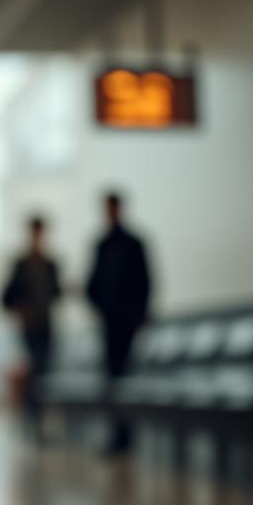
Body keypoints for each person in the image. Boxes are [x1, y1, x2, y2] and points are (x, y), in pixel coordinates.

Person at [86, 192, 152, 453]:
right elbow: (92, 283)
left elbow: (145, 280)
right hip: (109, 322)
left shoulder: (134, 243)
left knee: (126, 376)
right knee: (111, 378)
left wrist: (141, 314)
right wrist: (99, 307)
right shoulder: (101, 244)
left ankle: (126, 433)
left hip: (128, 321)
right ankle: (116, 431)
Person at [1, 215, 61, 435]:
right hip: (29, 329)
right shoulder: (22, 264)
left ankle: (39, 418)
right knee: (33, 373)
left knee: (43, 373)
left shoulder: (50, 264)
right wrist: (22, 309)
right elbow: (5, 297)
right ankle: (32, 419)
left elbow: (56, 293)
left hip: (46, 328)